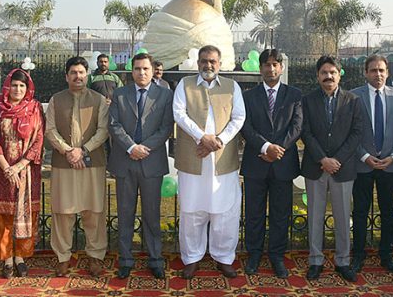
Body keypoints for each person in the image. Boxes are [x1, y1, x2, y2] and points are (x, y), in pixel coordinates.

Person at [173, 45, 245, 279]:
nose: (208, 65)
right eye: (204, 61)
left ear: (220, 63)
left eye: (212, 61)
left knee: (225, 211)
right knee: (191, 209)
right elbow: (179, 113)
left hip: (222, 158)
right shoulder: (185, 85)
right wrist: (202, 137)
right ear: (198, 63)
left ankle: (224, 257)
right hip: (193, 156)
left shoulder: (232, 87)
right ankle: (192, 257)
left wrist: (219, 140)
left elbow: (239, 117)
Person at [300, 55, 367, 283]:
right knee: (315, 216)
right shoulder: (307, 101)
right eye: (324, 73)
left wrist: (336, 159)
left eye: (332, 72)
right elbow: (305, 132)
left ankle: (343, 261)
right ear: (317, 76)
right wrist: (322, 159)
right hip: (315, 167)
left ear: (339, 74)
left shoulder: (353, 100)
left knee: (342, 217)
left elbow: (357, 133)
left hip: (342, 168)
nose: (328, 76)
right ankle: (315, 260)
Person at [108, 53, 174, 279]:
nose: (142, 73)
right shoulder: (120, 94)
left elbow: (166, 128)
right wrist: (130, 147)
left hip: (151, 162)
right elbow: (114, 125)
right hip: (125, 162)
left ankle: (155, 259)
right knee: (125, 213)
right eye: (137, 69)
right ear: (132, 71)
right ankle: (126, 259)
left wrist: (143, 147)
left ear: (152, 69)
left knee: (152, 215)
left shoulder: (165, 95)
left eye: (145, 68)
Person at [240, 49, 302, 278]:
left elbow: (297, 127)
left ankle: (277, 255)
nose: (271, 68)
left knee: (280, 212)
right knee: (254, 212)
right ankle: (254, 254)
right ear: (260, 68)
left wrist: (277, 150)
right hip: (256, 161)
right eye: (267, 64)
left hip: (283, 163)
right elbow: (245, 126)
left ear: (282, 67)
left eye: (275, 64)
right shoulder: (248, 96)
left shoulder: (295, 94)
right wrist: (266, 148)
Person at [45, 56, 109, 278]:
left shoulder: (99, 100)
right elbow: (50, 130)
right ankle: (63, 257)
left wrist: (83, 150)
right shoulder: (56, 100)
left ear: (87, 75)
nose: (78, 76)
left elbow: (103, 131)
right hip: (64, 164)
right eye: (73, 72)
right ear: (66, 76)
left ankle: (95, 256)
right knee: (63, 212)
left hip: (93, 163)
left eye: (81, 72)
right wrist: (68, 151)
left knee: (94, 211)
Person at [350, 55, 393, 274]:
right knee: (360, 211)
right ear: (365, 72)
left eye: (382, 70)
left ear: (388, 72)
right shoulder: (354, 96)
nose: (378, 74)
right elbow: (351, 131)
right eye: (373, 70)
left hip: (389, 165)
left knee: (387, 211)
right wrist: (364, 156)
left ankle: (387, 255)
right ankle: (358, 255)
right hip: (363, 164)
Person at [0, 69, 44, 278]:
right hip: (3, 172)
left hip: (27, 171)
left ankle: (20, 257)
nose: (17, 89)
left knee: (26, 214)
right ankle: (6, 258)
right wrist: (7, 168)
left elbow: (39, 140)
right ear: (7, 86)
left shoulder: (35, 108)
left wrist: (19, 167)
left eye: (22, 86)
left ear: (27, 88)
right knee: (4, 216)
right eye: (14, 85)